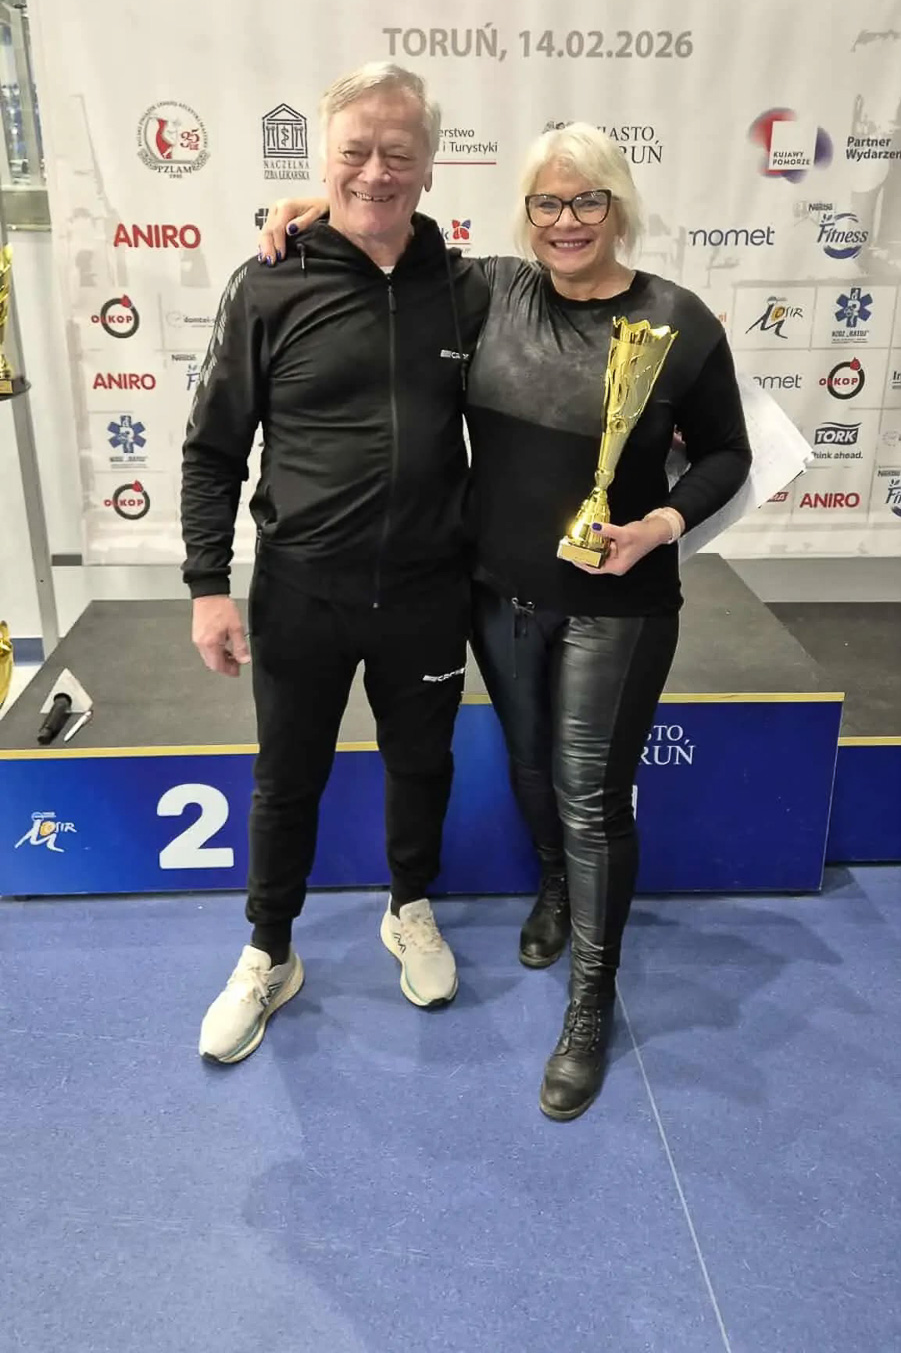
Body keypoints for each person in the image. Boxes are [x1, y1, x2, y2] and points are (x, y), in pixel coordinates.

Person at [260, 118, 752, 1120]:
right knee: (531, 766)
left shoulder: (678, 321)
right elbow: (394, 239)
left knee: (591, 797)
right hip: (495, 594)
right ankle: (556, 889)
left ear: (618, 207)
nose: (566, 221)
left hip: (617, 603)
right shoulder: (490, 290)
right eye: (546, 202)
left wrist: (659, 524)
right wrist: (321, 210)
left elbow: (726, 455)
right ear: (525, 213)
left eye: (586, 200)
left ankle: (589, 1002)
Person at [182, 62, 489, 1065]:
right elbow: (212, 449)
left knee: (422, 763)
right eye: (354, 151)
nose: (375, 172)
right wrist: (206, 587)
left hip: (428, 592)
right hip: (301, 590)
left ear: (431, 166)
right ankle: (268, 950)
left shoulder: (467, 289)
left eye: (398, 152)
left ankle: (409, 907)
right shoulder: (266, 282)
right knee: (286, 778)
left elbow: (577, 289)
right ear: (322, 160)